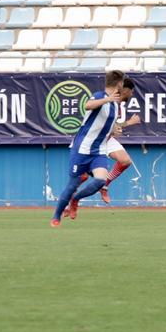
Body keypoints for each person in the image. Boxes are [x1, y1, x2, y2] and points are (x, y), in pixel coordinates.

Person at [51, 71, 127, 226]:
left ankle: (75, 199)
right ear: (119, 83)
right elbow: (87, 105)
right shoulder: (100, 96)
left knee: (100, 181)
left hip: (98, 151)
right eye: (122, 83)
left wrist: (114, 131)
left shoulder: (114, 104)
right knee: (72, 185)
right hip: (82, 149)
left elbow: (103, 126)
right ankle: (56, 216)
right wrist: (107, 98)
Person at [70, 78, 139, 212]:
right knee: (81, 176)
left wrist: (123, 125)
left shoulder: (117, 104)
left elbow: (112, 128)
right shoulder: (103, 98)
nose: (132, 95)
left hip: (105, 139)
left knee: (125, 161)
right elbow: (89, 108)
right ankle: (71, 199)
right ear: (126, 90)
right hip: (91, 141)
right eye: (132, 91)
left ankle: (104, 186)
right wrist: (128, 123)